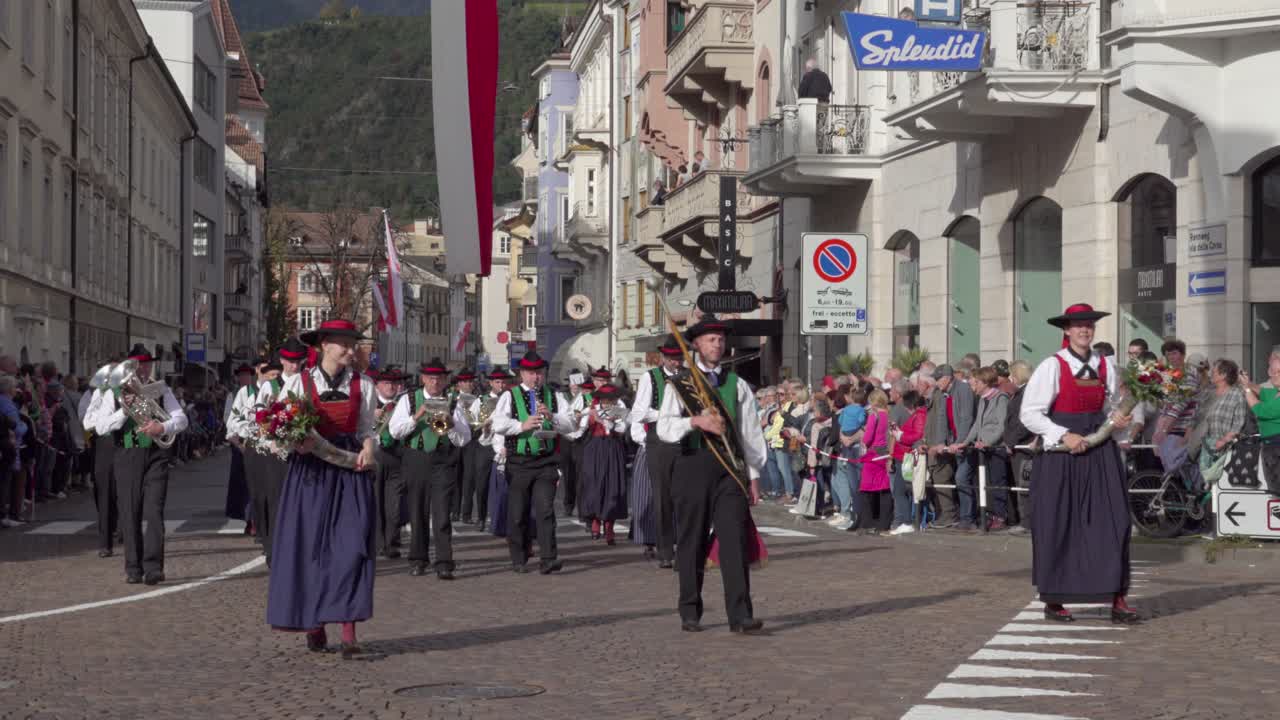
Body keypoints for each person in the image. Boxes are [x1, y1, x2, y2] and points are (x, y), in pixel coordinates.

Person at [266, 319, 379, 658]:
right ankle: (314, 623)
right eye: (343, 344)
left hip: (349, 474)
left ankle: (348, 631)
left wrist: (370, 448)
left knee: (351, 547)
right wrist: (292, 443)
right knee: (310, 548)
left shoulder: (364, 385)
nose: (349, 350)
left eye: (352, 343)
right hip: (311, 473)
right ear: (323, 345)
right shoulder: (298, 384)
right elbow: (276, 433)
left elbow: (366, 429)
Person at [1019, 304, 1138, 624]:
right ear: (1067, 331)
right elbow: (1029, 414)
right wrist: (1063, 434)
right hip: (1061, 457)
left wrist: (1121, 421)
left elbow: (1113, 408)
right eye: (1079, 325)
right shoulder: (1051, 366)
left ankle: (1117, 595)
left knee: (1115, 523)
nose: (1085, 330)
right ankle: (1055, 598)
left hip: (1100, 453)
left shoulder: (1104, 366)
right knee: (1058, 522)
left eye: (1089, 325)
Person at [656, 318, 767, 634]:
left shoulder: (737, 384)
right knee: (691, 539)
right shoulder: (681, 383)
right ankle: (690, 609)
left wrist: (754, 475)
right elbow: (664, 428)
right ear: (696, 345)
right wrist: (694, 423)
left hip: (730, 471)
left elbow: (749, 434)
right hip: (692, 465)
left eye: (719, 339)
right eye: (709, 340)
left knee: (734, 540)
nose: (716, 345)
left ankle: (741, 614)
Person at [88, 345, 188, 585]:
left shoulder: (160, 389)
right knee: (129, 512)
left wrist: (162, 427)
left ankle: (154, 567)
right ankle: (133, 567)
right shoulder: (113, 392)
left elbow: (181, 419)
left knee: (154, 511)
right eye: (138, 364)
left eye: (147, 364)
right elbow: (99, 427)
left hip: (155, 455)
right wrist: (125, 411)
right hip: (127, 455)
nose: (143, 369)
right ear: (129, 367)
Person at [490, 350, 576, 574]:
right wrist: (521, 426)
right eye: (530, 373)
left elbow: (570, 425)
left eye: (539, 372)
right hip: (518, 462)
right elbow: (498, 424)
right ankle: (519, 557)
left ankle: (548, 558)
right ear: (522, 374)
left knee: (545, 510)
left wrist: (553, 417)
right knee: (518, 513)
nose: (535, 377)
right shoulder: (509, 396)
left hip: (546, 462)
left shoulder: (554, 395)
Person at [390, 358, 470, 579]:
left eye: (439, 378)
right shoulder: (409, 399)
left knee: (442, 513)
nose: (435, 382)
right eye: (431, 378)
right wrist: (417, 416)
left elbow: (464, 439)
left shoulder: (454, 401)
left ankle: (444, 562)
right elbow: (395, 431)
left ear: (445, 380)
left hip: (443, 460)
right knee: (417, 512)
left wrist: (451, 424)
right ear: (423, 378)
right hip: (416, 459)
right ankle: (418, 559)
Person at [629, 337, 684, 566]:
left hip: (685, 441)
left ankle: (684, 546)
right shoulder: (649, 378)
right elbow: (639, 413)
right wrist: (665, 415)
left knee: (685, 496)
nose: (676, 362)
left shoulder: (690, 376)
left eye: (679, 357)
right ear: (663, 358)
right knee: (661, 497)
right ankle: (664, 550)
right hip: (659, 442)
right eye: (672, 358)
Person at [253, 338, 307, 566]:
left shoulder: (307, 384)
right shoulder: (270, 386)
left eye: (298, 362)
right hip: (275, 452)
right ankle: (275, 550)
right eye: (291, 362)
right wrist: (269, 438)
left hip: (301, 451)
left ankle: (298, 550)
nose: (294, 366)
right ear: (283, 361)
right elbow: (258, 416)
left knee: (300, 503)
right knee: (276, 501)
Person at [957, 367, 1011, 531]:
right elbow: (977, 425)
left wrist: (988, 441)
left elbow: (1002, 425)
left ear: (984, 382)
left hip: (996, 448)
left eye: (975, 383)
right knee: (985, 482)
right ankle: (988, 514)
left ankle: (1000, 517)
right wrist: (966, 442)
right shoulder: (982, 400)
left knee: (997, 482)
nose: (973, 387)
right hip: (982, 448)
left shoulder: (1000, 398)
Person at [579, 383, 629, 544]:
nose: (608, 402)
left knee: (613, 485)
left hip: (613, 448)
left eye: (611, 399)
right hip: (594, 449)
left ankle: (609, 526)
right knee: (594, 484)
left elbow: (622, 429)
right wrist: (582, 418)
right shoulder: (590, 409)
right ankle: (595, 521)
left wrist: (610, 422)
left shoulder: (620, 410)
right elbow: (577, 429)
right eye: (605, 399)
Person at [465, 368, 512, 532]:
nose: (501, 385)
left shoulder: (511, 398)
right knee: (482, 483)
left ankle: (504, 517)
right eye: (498, 382)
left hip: (506, 445)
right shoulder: (481, 400)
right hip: (485, 445)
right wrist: (482, 426)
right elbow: (471, 422)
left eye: (504, 382)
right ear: (491, 383)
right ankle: (482, 517)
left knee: (507, 482)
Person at [371, 365, 409, 558]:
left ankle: (391, 543)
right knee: (376, 502)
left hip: (397, 456)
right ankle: (378, 542)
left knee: (394, 505)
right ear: (377, 385)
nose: (391, 386)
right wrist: (372, 416)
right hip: (376, 456)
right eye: (386, 383)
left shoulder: (404, 403)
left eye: (394, 383)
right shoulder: (368, 403)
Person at [224, 363, 260, 538]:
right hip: (239, 441)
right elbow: (229, 419)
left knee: (255, 483)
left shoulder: (261, 390)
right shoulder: (237, 394)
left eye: (247, 374)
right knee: (242, 483)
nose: (244, 377)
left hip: (259, 443)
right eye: (241, 375)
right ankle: (248, 519)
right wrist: (237, 443)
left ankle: (255, 519)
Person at [1195, 359, 1247, 474]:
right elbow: (1198, 414)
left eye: (1213, 372)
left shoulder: (1237, 394)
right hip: (1207, 446)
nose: (1211, 375)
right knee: (1206, 482)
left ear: (1223, 375)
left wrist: (1224, 440)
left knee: (1219, 486)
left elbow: (1239, 422)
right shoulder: (1209, 392)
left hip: (1226, 448)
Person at [1002, 360, 1035, 534]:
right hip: (1018, 446)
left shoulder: (1026, 394)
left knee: (1024, 486)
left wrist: (1011, 441)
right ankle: (1026, 520)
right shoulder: (1021, 393)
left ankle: (1027, 523)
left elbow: (1023, 422)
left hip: (1023, 447)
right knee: (1022, 485)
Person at [889, 390, 927, 535]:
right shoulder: (917, 415)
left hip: (908, 457)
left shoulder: (920, 415)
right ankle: (906, 520)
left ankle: (906, 521)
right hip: (904, 456)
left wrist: (899, 435)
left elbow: (917, 435)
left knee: (901, 489)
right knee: (902, 489)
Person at [855, 390, 893, 534]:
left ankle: (867, 522)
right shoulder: (889, 415)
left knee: (866, 489)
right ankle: (884, 523)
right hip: (885, 453)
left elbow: (868, 438)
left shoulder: (874, 416)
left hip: (873, 453)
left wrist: (863, 440)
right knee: (884, 488)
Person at [450, 369, 479, 522]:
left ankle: (466, 513)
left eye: (471, 381)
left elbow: (480, 420)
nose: (469, 384)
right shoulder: (451, 399)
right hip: (454, 441)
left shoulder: (478, 400)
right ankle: (455, 511)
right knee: (455, 477)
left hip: (471, 441)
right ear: (459, 384)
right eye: (466, 381)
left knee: (469, 478)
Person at [1244, 350, 1280, 441]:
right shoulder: (1277, 391)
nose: (1273, 375)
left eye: (1278, 372)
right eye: (1272, 371)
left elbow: (1260, 409)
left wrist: (1246, 388)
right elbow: (1263, 392)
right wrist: (1247, 383)